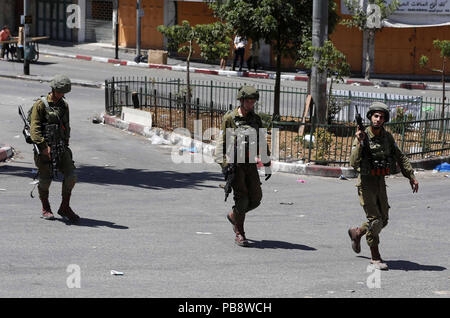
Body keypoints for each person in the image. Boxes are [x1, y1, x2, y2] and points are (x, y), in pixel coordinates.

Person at [348, 102, 419, 270]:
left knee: (384, 220)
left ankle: (357, 232)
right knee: (375, 220)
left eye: (381, 117)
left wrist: (411, 176)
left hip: (380, 182)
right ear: (370, 117)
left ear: (385, 120)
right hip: (366, 183)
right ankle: (375, 257)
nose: (378, 119)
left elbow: (400, 156)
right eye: (375, 116)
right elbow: (352, 162)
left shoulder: (387, 137)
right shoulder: (362, 136)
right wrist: (359, 143)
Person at [215, 85, 271, 247]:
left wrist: (266, 163)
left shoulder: (256, 119)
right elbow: (221, 144)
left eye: (253, 100)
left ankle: (234, 215)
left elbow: (261, 141)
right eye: (248, 100)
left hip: (250, 164)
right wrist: (224, 166)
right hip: (236, 165)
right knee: (242, 199)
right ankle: (239, 232)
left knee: (256, 199)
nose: (251, 103)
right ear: (241, 100)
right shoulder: (230, 118)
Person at [30, 74, 80, 222]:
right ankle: (45, 207)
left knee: (71, 176)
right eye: (60, 92)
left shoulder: (64, 105)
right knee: (45, 180)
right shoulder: (40, 104)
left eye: (64, 92)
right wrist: (44, 147)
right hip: (45, 148)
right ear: (53, 89)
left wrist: (66, 141)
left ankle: (64, 207)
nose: (62, 95)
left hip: (61, 147)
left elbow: (67, 125)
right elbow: (35, 129)